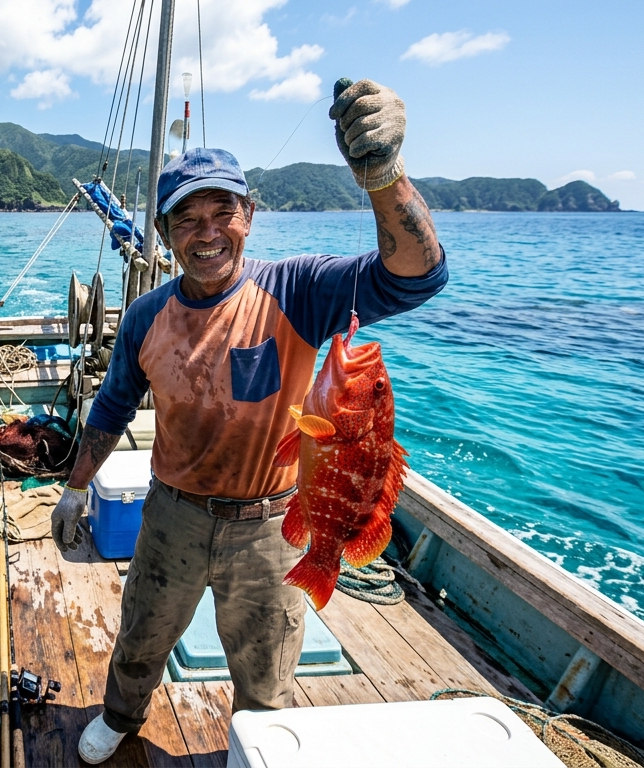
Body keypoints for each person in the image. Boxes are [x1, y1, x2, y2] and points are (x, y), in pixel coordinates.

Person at [53, 79, 449, 764]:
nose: (206, 233)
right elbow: (113, 406)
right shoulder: (147, 316)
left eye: (222, 212)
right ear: (165, 234)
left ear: (249, 215)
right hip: (172, 513)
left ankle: (256, 743)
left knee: (267, 662)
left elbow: (414, 277)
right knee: (143, 631)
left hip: (274, 525)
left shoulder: (298, 289)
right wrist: (78, 485)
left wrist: (384, 176)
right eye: (186, 219)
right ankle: (119, 716)